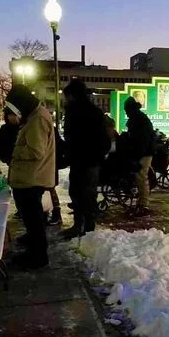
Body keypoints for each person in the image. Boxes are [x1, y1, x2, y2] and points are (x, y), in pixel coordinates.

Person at [5, 85, 55, 268]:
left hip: (33, 177)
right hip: (31, 176)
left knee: (33, 217)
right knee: (32, 217)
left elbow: (36, 150)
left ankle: (38, 255)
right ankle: (34, 246)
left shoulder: (38, 118)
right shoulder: (35, 116)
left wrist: (15, 151)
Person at [59, 79, 110, 241]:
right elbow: (104, 140)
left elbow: (72, 139)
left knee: (80, 194)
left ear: (73, 95)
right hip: (90, 161)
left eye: (67, 96)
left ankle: (83, 228)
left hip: (82, 161)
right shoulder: (95, 112)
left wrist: (70, 154)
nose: (65, 100)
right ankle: (86, 228)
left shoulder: (74, 112)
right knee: (86, 195)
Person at [123, 97, 155, 211]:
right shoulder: (137, 117)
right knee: (139, 176)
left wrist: (136, 156)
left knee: (141, 176)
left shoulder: (139, 119)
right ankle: (141, 202)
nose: (126, 113)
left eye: (126, 110)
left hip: (144, 152)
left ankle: (143, 204)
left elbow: (142, 140)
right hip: (142, 151)